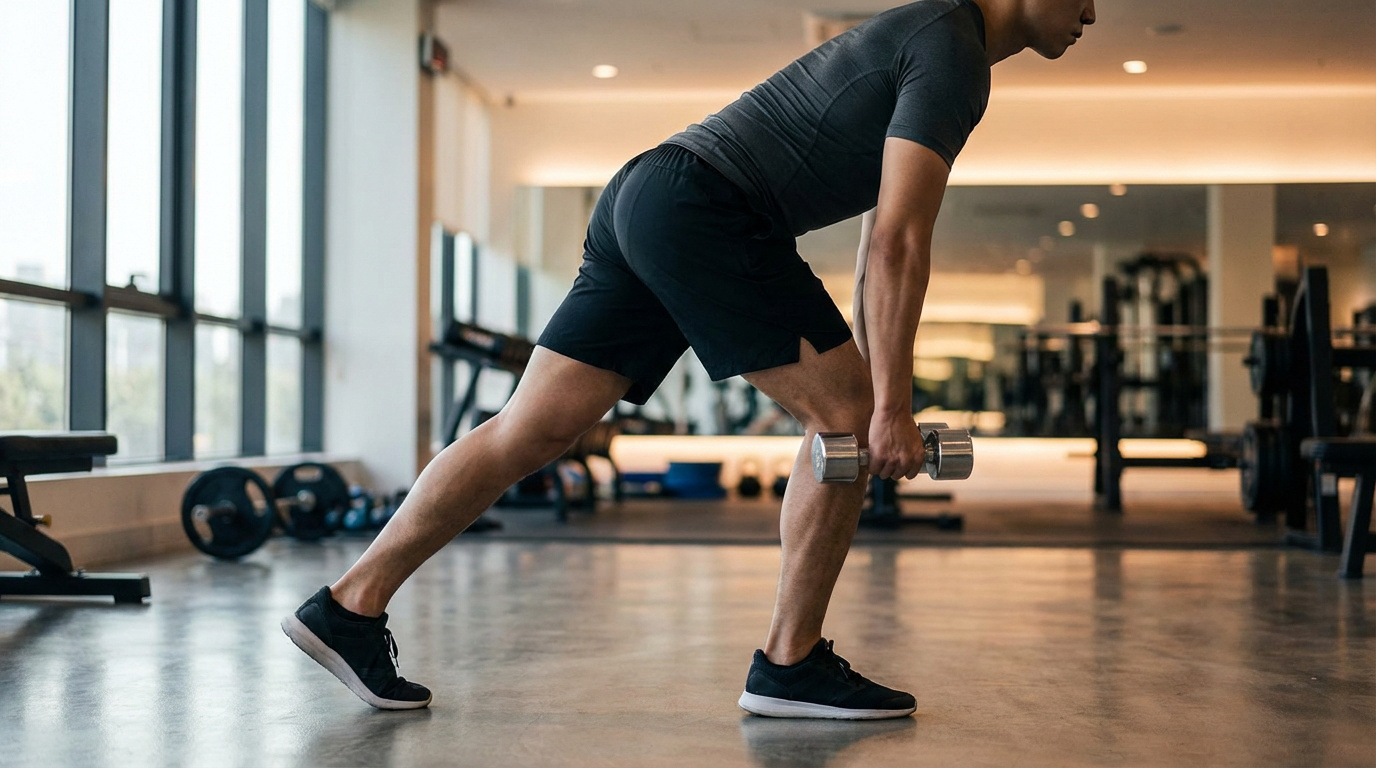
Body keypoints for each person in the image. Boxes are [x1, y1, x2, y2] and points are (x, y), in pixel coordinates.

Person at [281, 0, 1095, 718]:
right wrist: (885, 409)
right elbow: (898, 242)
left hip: (649, 190)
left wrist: (887, 393)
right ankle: (790, 664)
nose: (1091, 14)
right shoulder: (954, 50)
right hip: (710, 205)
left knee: (531, 426)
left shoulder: (933, 36)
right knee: (841, 422)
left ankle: (349, 606)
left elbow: (878, 244)